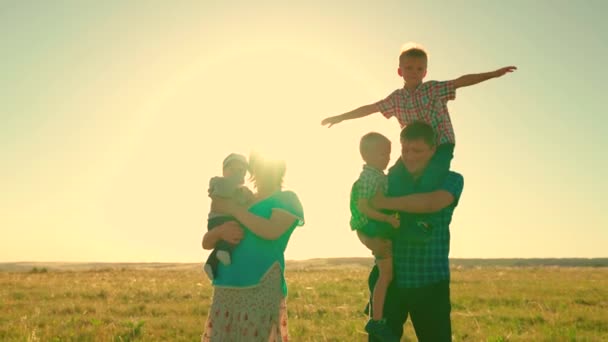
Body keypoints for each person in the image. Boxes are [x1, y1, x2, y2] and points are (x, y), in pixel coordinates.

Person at [322, 42, 514, 192]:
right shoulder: (396, 99)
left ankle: (425, 218)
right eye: (409, 68)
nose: (414, 72)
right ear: (400, 71)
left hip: (441, 144)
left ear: (425, 72)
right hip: (413, 150)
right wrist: (341, 117)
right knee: (395, 178)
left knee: (430, 179)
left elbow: (461, 81)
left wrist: (494, 74)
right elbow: (370, 108)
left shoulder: (433, 89)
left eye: (419, 69)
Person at [367, 122, 464, 341]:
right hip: (390, 281)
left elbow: (430, 203)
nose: (409, 157)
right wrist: (368, 241)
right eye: (405, 150)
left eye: (417, 151)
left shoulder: (452, 179)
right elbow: (361, 215)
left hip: (430, 281)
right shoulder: (386, 181)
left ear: (433, 150)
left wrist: (385, 202)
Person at [201, 150, 305, 342]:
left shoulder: (287, 198)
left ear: (281, 169)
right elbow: (206, 243)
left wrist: (233, 209)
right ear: (252, 170)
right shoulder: (241, 197)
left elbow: (271, 230)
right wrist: (219, 232)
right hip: (226, 283)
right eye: (257, 166)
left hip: (261, 282)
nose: (264, 171)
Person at [349, 132, 400, 341]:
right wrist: (387, 220)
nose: (387, 158)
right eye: (382, 154)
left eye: (388, 153)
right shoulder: (368, 177)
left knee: (384, 273)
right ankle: (376, 320)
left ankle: (375, 308)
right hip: (373, 225)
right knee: (386, 275)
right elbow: (364, 207)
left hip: (375, 225)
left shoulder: (377, 174)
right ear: (367, 155)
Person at [203, 153, 254, 281]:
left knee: (234, 235)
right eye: (232, 169)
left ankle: (211, 263)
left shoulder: (243, 190)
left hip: (229, 220)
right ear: (224, 171)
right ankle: (219, 256)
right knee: (234, 231)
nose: (237, 173)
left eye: (241, 171)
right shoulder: (218, 182)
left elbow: (249, 201)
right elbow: (224, 193)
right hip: (218, 220)